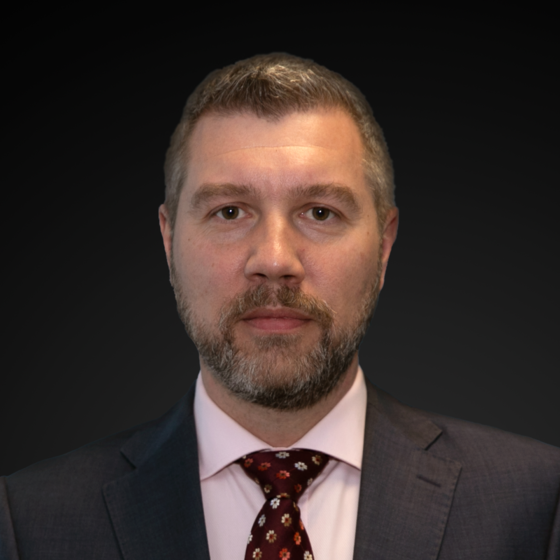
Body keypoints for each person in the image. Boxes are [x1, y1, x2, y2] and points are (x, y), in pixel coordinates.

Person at [1, 53, 558, 560]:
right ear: (169, 242)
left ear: (384, 245)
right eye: (229, 211)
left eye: (320, 212)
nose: (273, 259)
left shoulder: (538, 503)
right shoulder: (28, 522)